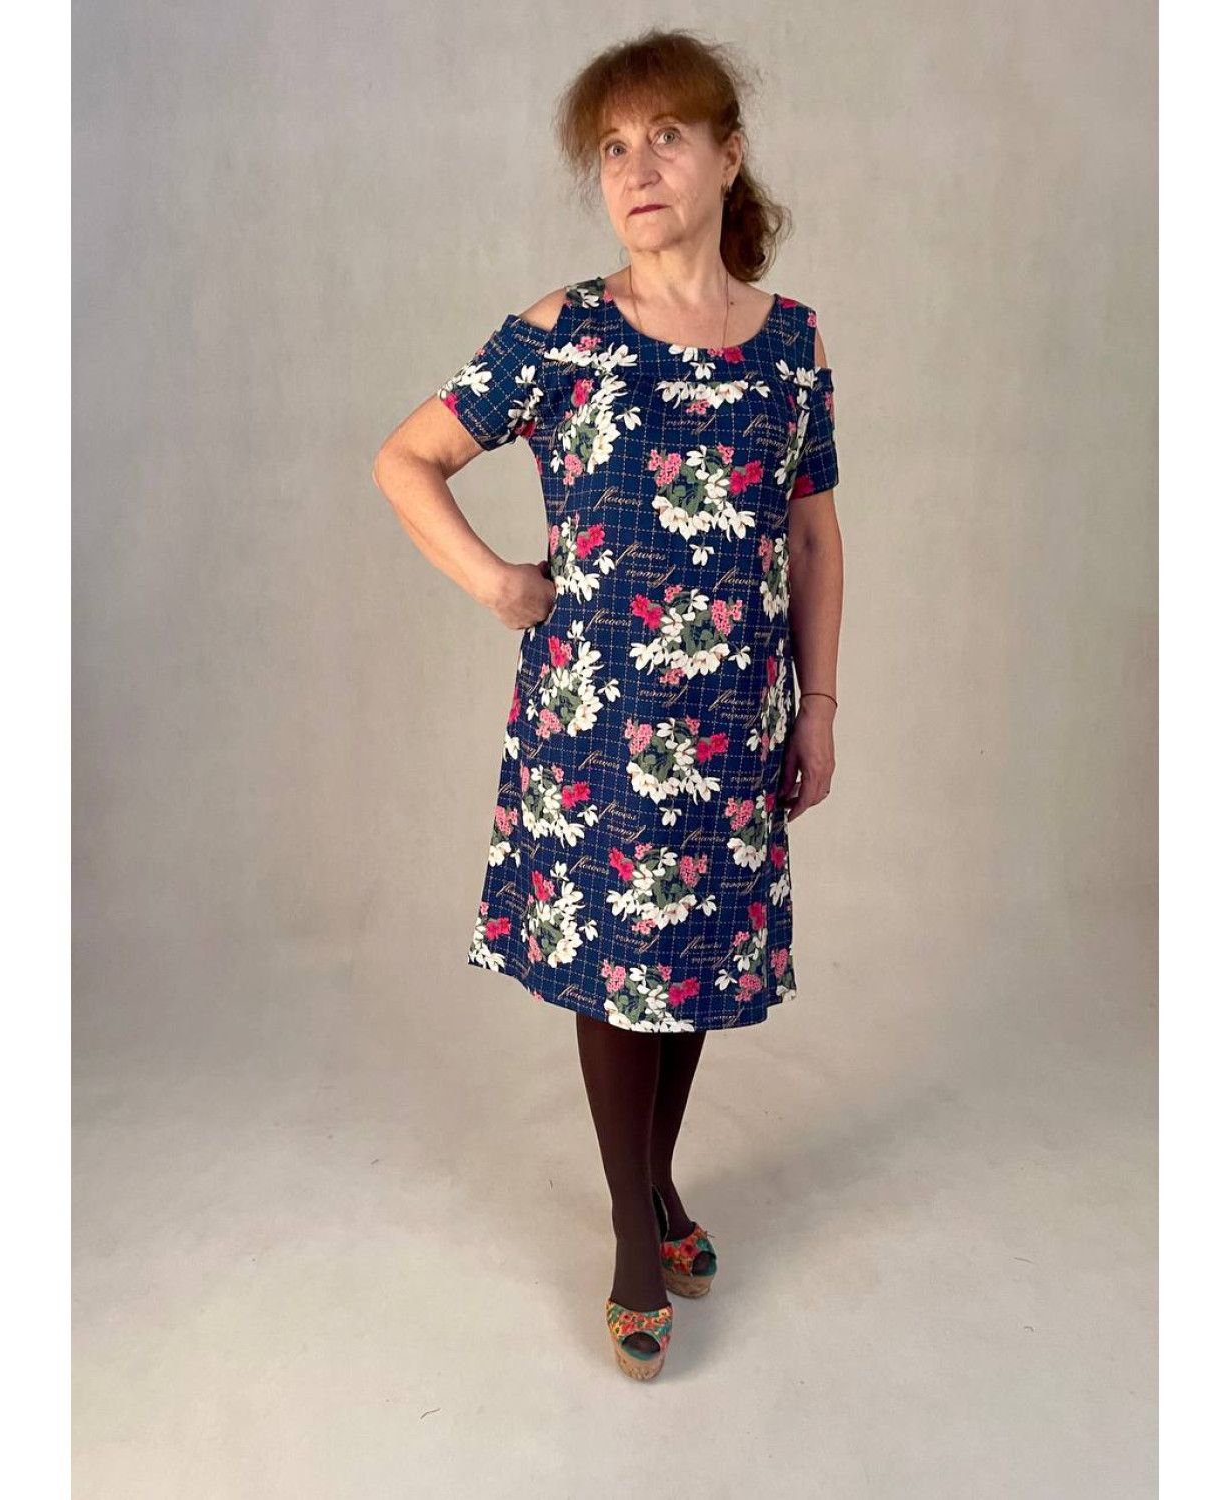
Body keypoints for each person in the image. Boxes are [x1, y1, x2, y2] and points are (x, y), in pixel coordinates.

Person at [372, 28, 844, 1379]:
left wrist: (819, 704)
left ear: (728, 156)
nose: (636, 169)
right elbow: (407, 459)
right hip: (601, 727)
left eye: (666, 137)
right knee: (623, 970)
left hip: (737, 723)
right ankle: (638, 1239)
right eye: (613, 148)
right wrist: (497, 583)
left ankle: (659, 1181)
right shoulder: (563, 335)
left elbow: (813, 535)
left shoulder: (792, 344)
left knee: (688, 967)